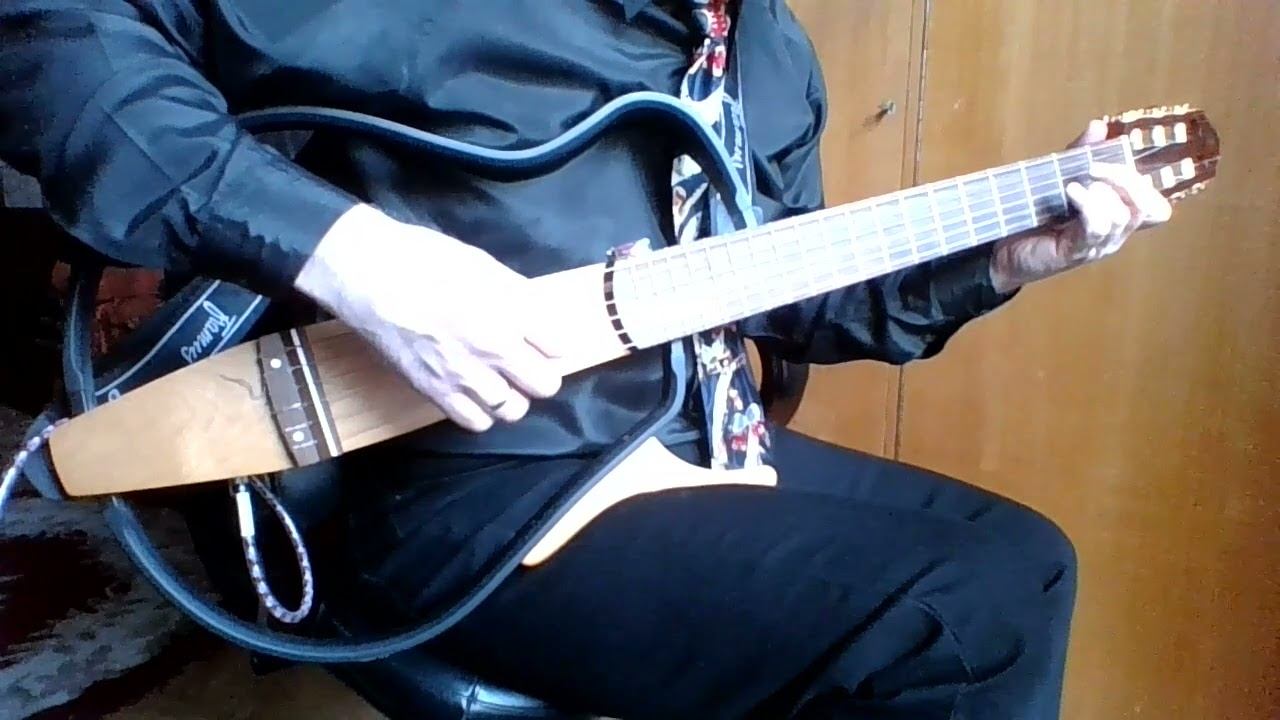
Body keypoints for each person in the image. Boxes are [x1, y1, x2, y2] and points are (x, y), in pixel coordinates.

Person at [0, 1, 1171, 717]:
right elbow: (50, 32)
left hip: (686, 435)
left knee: (1027, 561)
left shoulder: (769, 55)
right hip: (469, 484)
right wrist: (353, 255)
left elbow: (791, 299)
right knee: (963, 619)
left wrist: (1003, 261)